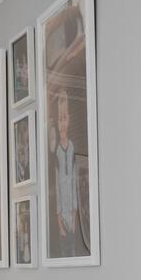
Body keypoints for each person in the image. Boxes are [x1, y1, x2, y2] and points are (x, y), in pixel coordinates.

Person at [51, 89, 82, 256]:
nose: (62, 123)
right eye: (60, 119)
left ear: (69, 119)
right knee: (64, 252)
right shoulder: (56, 152)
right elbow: (57, 187)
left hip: (71, 216)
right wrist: (60, 225)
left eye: (65, 118)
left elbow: (73, 181)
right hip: (62, 217)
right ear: (57, 121)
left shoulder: (72, 148)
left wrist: (75, 216)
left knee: (74, 252)